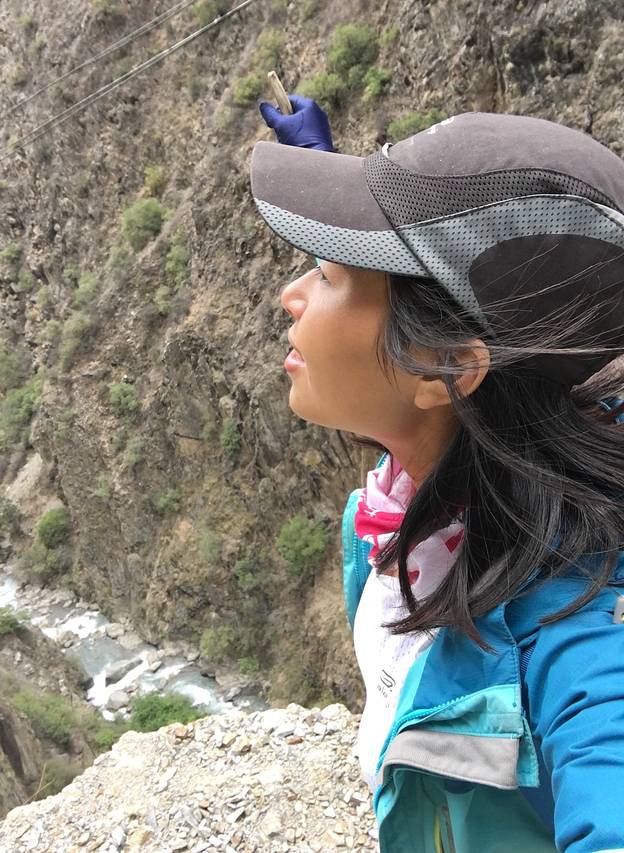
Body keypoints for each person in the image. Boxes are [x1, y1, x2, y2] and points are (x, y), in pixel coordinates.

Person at [253, 95, 624, 853]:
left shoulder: (585, 631)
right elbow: (418, 295)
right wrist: (331, 181)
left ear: (448, 367)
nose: (289, 296)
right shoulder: (436, 481)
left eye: (328, 273)